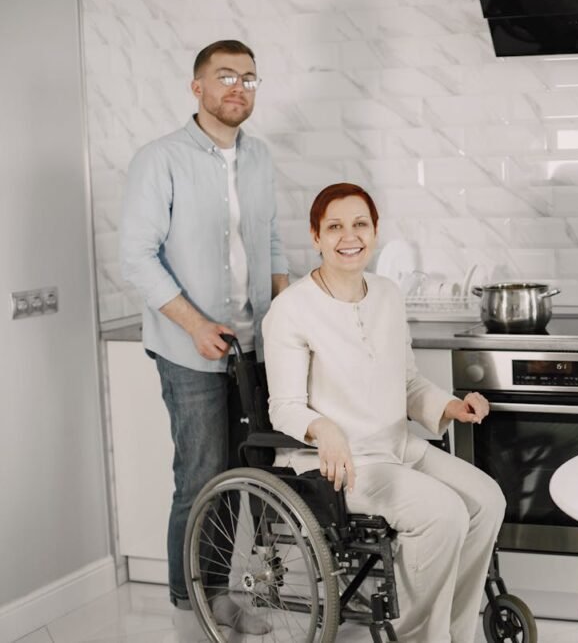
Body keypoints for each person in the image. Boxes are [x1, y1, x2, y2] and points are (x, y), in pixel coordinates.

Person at [262, 182, 506, 643]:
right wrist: (324, 428)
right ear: (315, 236)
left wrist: (452, 406)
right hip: (338, 463)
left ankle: (454, 632)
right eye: (334, 226)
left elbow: (409, 382)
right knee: (443, 514)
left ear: (375, 232)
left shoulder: (388, 295)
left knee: (487, 499)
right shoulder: (290, 310)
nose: (348, 236)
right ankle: (413, 636)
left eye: (360, 224)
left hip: (396, 446)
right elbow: (285, 407)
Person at [120, 39, 289, 634]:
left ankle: (227, 590)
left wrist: (287, 322)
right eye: (225, 76)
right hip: (187, 348)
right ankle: (191, 601)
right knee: (201, 478)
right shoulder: (160, 158)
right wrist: (194, 325)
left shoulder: (262, 157)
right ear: (198, 88)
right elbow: (136, 258)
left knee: (251, 476)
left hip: (254, 348)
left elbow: (270, 243)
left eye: (249, 77)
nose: (238, 87)